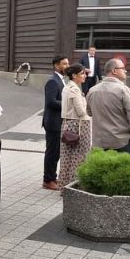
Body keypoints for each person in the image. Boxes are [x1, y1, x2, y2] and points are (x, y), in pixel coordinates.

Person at [86, 58, 130, 154]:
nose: (125, 71)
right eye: (123, 68)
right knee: (123, 169)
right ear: (114, 71)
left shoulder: (92, 91)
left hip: (99, 143)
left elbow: (89, 112)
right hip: (121, 143)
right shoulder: (124, 91)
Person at [58, 64, 91, 186]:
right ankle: (73, 186)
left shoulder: (67, 87)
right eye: (82, 73)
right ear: (74, 75)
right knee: (79, 156)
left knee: (67, 156)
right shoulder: (75, 89)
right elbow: (81, 112)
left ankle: (63, 185)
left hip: (68, 125)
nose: (85, 75)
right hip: (78, 125)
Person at [42, 56, 70, 190]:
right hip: (53, 122)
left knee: (57, 152)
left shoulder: (61, 80)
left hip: (59, 122)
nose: (67, 66)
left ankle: (52, 176)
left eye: (68, 63)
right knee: (52, 152)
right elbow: (51, 102)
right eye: (64, 64)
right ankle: (48, 180)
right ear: (56, 65)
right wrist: (68, 104)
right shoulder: (52, 81)